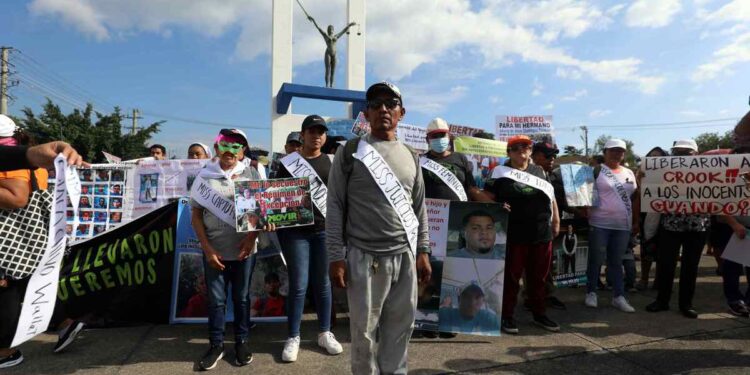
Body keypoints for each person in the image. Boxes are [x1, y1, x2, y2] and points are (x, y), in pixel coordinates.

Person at [327, 81, 431, 375]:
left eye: (391, 103)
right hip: (364, 257)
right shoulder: (350, 152)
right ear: (366, 113)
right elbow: (334, 205)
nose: (383, 109)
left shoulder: (412, 156)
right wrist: (336, 255)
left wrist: (423, 250)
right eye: (376, 104)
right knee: (363, 335)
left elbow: (418, 207)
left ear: (402, 112)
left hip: (404, 256)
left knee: (400, 330)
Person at [0, 124, 83, 367]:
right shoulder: (21, 154)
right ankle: (65, 324)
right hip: (28, 234)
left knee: (6, 287)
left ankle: (5, 350)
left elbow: (17, 198)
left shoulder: (11, 159)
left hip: (11, 235)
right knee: (29, 282)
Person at [189, 128, 271, 371]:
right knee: (216, 301)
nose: (230, 150)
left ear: (243, 151)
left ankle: (242, 342)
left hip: (245, 251)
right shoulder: (205, 176)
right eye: (225, 144)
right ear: (217, 148)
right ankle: (216, 344)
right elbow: (195, 217)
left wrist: (251, 239)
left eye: (237, 146)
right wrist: (208, 250)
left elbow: (262, 212)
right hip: (215, 252)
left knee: (242, 298)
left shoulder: (252, 174)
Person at [275, 114, 341, 362]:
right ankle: (293, 336)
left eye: (321, 132)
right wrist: (271, 218)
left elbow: (339, 198)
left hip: (324, 230)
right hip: (294, 233)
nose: (317, 136)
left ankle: (325, 332)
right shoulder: (288, 163)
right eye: (312, 131)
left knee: (323, 284)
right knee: (299, 284)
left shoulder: (332, 162)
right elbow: (275, 196)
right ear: (302, 135)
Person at [483, 135, 561, 334]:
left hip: (541, 233)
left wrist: (556, 220)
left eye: (525, 147)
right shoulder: (499, 172)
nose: (521, 151)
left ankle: (539, 314)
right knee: (511, 277)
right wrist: (496, 206)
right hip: (513, 233)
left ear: (530, 150)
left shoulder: (539, 171)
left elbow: (550, 198)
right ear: (508, 152)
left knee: (539, 278)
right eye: (515, 148)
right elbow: (488, 197)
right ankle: (507, 316)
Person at [645, 139, 709, 318]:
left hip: (697, 226)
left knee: (690, 267)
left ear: (695, 154)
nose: (681, 156)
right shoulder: (663, 171)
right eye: (677, 152)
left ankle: (686, 304)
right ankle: (662, 301)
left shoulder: (709, 171)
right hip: (670, 226)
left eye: (686, 152)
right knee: (666, 265)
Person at [584, 138, 639, 313]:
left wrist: (636, 221)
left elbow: (634, 198)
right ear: (605, 152)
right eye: (613, 150)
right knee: (596, 260)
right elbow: (583, 194)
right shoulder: (596, 171)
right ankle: (591, 292)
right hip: (600, 223)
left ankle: (618, 296)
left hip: (622, 225)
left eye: (620, 151)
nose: (617, 154)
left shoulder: (629, 173)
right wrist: (585, 210)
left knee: (616, 262)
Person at [717, 112, 750, 317]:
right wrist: (734, 224)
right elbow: (720, 203)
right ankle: (734, 300)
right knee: (732, 268)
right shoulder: (729, 176)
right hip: (737, 229)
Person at [531, 141, 566, 310]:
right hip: (532, 229)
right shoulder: (527, 174)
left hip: (547, 227)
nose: (551, 159)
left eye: (554, 156)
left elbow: (552, 200)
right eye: (547, 155)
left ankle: (546, 294)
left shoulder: (547, 174)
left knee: (547, 266)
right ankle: (532, 298)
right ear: (534, 155)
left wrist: (556, 221)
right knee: (533, 268)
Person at [637, 147, 669, 291]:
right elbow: (638, 195)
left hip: (668, 217)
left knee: (665, 251)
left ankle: (659, 280)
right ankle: (644, 279)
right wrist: (639, 179)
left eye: (659, 157)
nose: (655, 160)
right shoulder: (642, 173)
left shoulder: (672, 172)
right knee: (647, 249)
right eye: (652, 157)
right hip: (648, 215)